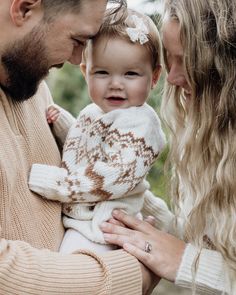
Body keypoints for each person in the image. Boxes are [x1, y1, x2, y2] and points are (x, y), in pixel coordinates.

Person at [0, 0, 157, 294]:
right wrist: (136, 271)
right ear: (24, 9)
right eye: (77, 40)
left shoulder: (34, 89)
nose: (76, 60)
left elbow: (108, 169)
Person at [101, 0, 236, 294]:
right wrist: (150, 212)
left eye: (185, 60)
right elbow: (220, 244)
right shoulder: (212, 136)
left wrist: (185, 262)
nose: (172, 78)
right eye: (169, 60)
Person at [28, 8, 166, 254]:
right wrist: (64, 125)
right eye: (102, 72)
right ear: (85, 72)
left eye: (131, 74)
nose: (115, 84)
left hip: (104, 227)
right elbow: (92, 146)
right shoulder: (95, 112)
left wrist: (56, 184)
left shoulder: (141, 124)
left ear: (154, 77)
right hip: (83, 219)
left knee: (69, 278)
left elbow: (114, 176)